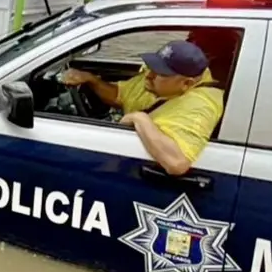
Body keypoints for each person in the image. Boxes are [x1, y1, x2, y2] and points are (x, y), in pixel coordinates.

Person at [62, 40, 224, 176]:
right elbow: (119, 95)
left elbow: (176, 163)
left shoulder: (200, 107)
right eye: (153, 66)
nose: (149, 75)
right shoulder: (162, 82)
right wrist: (92, 80)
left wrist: (139, 118)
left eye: (160, 72)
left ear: (186, 84)